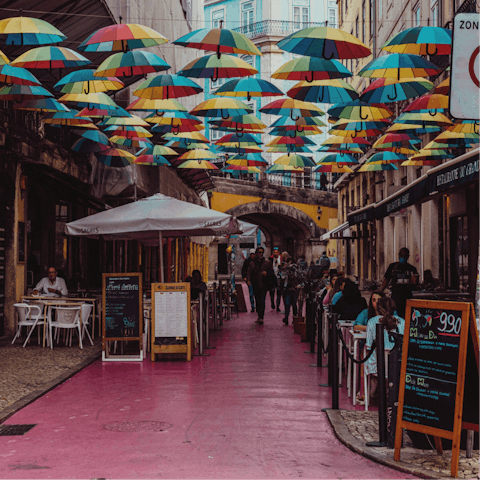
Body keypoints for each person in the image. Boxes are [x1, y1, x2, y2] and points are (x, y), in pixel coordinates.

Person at [364, 297, 405, 406]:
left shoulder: (372, 322)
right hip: (397, 365)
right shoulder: (403, 322)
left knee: (366, 355)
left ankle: (369, 390)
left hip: (377, 366)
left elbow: (368, 346)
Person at [380, 247, 418, 318]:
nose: (403, 258)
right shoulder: (393, 267)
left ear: (408, 257)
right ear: (398, 255)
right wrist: (380, 291)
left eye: (405, 256)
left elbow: (415, 284)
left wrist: (414, 280)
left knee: (406, 316)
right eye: (401, 256)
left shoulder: (411, 269)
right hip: (395, 298)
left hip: (407, 298)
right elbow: (386, 280)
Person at [247, 246, 274, 325]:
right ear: (256, 253)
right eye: (259, 252)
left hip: (264, 284)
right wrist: (248, 280)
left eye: (262, 252)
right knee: (257, 300)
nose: (261, 254)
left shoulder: (267, 262)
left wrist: (267, 274)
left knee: (262, 300)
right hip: (255, 284)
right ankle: (259, 316)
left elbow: (272, 273)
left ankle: (261, 317)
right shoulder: (252, 263)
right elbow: (249, 272)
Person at [282, 256, 299, 325]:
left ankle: (294, 318)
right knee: (288, 304)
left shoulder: (296, 271)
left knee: (294, 304)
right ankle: (286, 318)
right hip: (288, 290)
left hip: (294, 289)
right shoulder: (286, 271)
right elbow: (283, 278)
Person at [269, 247, 282, 312]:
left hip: (279, 277)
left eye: (276, 252)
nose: (275, 253)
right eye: (274, 252)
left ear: (278, 253)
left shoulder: (281, 259)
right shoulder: (270, 259)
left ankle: (278, 306)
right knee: (272, 291)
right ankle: (272, 302)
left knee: (279, 292)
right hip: (272, 277)